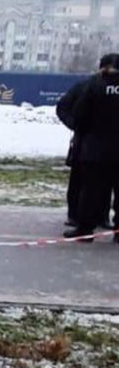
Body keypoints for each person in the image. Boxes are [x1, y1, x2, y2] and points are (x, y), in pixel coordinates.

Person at [67, 53, 119, 241]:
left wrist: (82, 131)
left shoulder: (94, 85)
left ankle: (85, 230)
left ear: (104, 68)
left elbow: (79, 113)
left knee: (90, 192)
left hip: (95, 149)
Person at [56, 74, 92, 228]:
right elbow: (63, 107)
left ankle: (100, 217)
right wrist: (75, 125)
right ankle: (75, 216)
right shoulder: (88, 86)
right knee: (79, 181)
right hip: (85, 142)